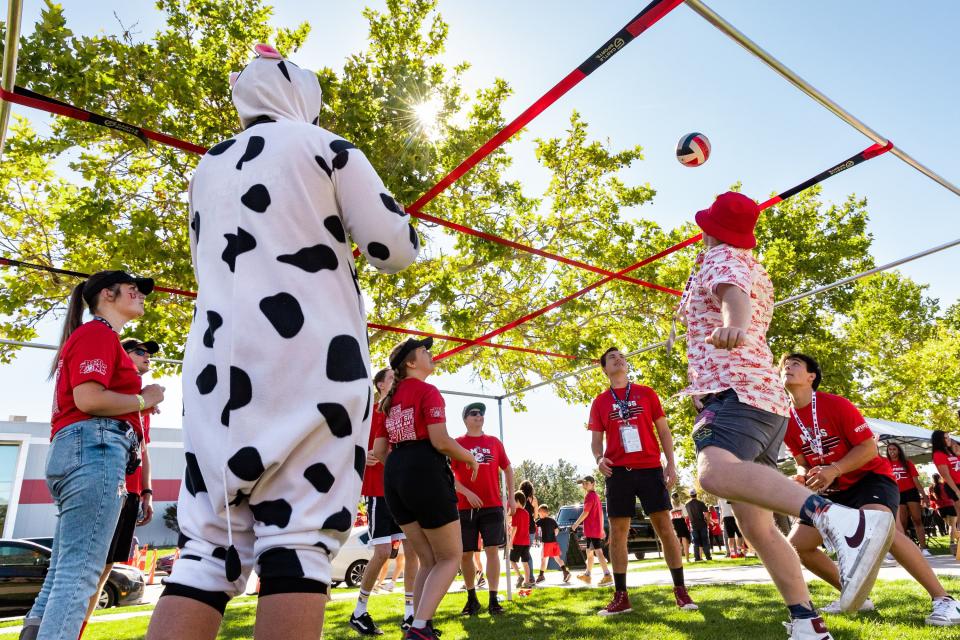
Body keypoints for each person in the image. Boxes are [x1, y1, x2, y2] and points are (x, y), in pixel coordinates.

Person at [147, 44, 420, 640]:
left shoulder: (207, 167)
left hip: (215, 373)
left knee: (206, 549)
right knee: (298, 543)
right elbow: (393, 249)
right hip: (308, 368)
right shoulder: (325, 147)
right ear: (303, 96)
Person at [676, 191, 894, 639]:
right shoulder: (751, 265)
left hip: (735, 391)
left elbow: (733, 297)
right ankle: (805, 621)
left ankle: (840, 521)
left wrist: (732, 321)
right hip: (762, 400)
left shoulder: (721, 260)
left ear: (711, 230)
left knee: (713, 474)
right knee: (757, 525)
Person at [21, 271, 162, 640]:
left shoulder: (97, 337)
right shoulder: (98, 334)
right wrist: (143, 400)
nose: (140, 294)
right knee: (81, 571)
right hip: (94, 448)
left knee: (64, 571)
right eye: (132, 288)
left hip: (81, 448)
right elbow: (89, 398)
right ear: (107, 294)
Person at [781, 353, 960, 626]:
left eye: (795, 364)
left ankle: (944, 600)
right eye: (784, 365)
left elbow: (867, 448)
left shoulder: (835, 404)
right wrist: (802, 477)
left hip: (869, 479)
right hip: (830, 490)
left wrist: (835, 469)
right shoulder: (784, 417)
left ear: (811, 376)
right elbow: (802, 462)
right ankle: (856, 597)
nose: (787, 368)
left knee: (879, 528)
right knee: (797, 546)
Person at [372, 337, 479, 640]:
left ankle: (418, 625)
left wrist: (403, 469)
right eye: (424, 351)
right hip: (423, 469)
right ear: (410, 362)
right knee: (450, 556)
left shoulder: (388, 401)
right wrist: (469, 456)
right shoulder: (427, 391)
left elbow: (380, 451)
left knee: (428, 559)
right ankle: (419, 629)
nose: (430, 354)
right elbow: (441, 441)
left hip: (394, 475)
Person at [587, 346, 696, 614]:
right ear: (604, 369)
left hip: (649, 468)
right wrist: (599, 459)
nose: (619, 359)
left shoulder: (646, 393)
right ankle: (621, 596)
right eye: (612, 358)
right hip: (618, 473)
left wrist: (671, 464)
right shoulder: (600, 402)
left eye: (622, 356)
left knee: (665, 528)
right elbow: (595, 441)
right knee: (617, 534)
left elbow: (663, 430)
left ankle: (681, 591)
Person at [79, 338, 161, 632]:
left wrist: (147, 492)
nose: (147, 356)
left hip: (131, 492)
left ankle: (79, 630)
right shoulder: (110, 393)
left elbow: (144, 449)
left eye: (149, 353)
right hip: (106, 484)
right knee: (87, 567)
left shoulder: (144, 405)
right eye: (139, 351)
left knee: (106, 568)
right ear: (122, 356)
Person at [350, 367, 419, 636]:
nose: (396, 382)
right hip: (378, 491)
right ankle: (359, 611)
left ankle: (410, 615)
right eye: (392, 378)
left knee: (413, 551)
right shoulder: (368, 412)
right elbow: (348, 442)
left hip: (403, 491)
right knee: (381, 554)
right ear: (379, 384)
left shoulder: (401, 410)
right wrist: (359, 454)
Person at [450, 401, 514, 617]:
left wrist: (511, 499)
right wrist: (466, 492)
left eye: (482, 413)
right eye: (474, 413)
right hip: (464, 507)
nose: (479, 416)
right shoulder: (457, 443)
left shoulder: (494, 442)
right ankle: (471, 598)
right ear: (465, 418)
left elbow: (508, 468)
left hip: (493, 506)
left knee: (492, 551)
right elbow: (448, 476)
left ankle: (494, 599)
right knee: (466, 554)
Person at [885, 442, 931, 556]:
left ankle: (923, 548)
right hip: (896, 493)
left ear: (899, 450)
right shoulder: (886, 463)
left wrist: (925, 497)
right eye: (890, 449)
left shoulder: (907, 463)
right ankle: (905, 550)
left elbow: (916, 481)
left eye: (894, 449)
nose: (892, 451)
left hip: (911, 492)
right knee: (902, 522)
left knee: (917, 519)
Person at [571, 476, 612, 587]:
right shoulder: (595, 496)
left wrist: (575, 524)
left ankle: (607, 575)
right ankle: (587, 575)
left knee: (598, 552)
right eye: (583, 484)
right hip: (593, 530)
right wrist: (602, 528)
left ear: (593, 483)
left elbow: (586, 512)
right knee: (589, 553)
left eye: (586, 483)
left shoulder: (589, 496)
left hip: (593, 530)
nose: (584, 485)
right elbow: (599, 514)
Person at [932, 430, 960, 555]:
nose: (948, 439)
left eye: (949, 437)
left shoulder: (953, 450)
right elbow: (946, 475)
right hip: (954, 486)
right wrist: (956, 490)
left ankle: (955, 544)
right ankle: (955, 544)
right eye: (945, 438)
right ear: (939, 440)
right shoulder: (938, 454)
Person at [536, 505, 571, 583]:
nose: (539, 515)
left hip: (547, 543)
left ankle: (541, 575)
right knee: (557, 558)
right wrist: (553, 535)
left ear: (543, 512)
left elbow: (534, 525)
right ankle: (565, 572)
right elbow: (557, 531)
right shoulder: (552, 520)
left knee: (543, 559)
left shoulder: (541, 521)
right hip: (554, 542)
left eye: (539, 513)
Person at [508, 492, 535, 589]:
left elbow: (515, 528)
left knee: (512, 560)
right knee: (525, 562)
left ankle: (519, 576)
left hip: (517, 541)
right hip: (526, 541)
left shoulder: (515, 512)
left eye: (513, 501)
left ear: (518, 501)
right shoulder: (526, 513)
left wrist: (510, 541)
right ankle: (527, 582)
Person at [684, 490, 712, 562]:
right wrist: (708, 523)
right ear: (696, 495)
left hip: (693, 525)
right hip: (702, 524)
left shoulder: (687, 504)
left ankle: (697, 558)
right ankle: (708, 557)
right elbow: (706, 514)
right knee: (705, 540)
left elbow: (686, 516)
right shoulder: (701, 503)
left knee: (696, 542)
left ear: (690, 495)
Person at [929, 474, 956, 543]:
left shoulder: (931, 488)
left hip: (940, 508)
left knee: (950, 526)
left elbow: (931, 499)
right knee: (952, 525)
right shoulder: (944, 485)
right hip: (950, 505)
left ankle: (955, 541)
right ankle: (952, 542)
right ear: (940, 478)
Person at [670, 493, 691, 561]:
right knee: (685, 541)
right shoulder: (682, 505)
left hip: (674, 524)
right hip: (681, 523)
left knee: (677, 543)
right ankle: (687, 559)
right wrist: (680, 515)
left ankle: (678, 560)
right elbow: (686, 516)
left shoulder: (670, 506)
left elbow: (669, 517)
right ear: (678, 497)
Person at [519, 480, 539, 544]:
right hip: (530, 528)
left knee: (518, 551)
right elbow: (536, 516)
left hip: (520, 527)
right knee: (526, 551)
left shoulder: (518, 498)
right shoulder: (534, 499)